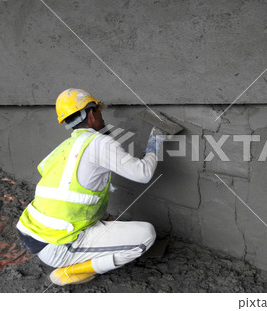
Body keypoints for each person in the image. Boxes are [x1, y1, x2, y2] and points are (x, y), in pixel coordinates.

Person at [16, 88, 165, 286]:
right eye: (99, 111)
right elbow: (143, 173)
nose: (102, 117)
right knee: (146, 235)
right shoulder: (98, 142)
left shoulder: (62, 149)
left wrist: (108, 221)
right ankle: (70, 272)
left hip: (33, 235)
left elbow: (74, 195)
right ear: (92, 113)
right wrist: (156, 142)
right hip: (59, 246)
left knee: (109, 222)